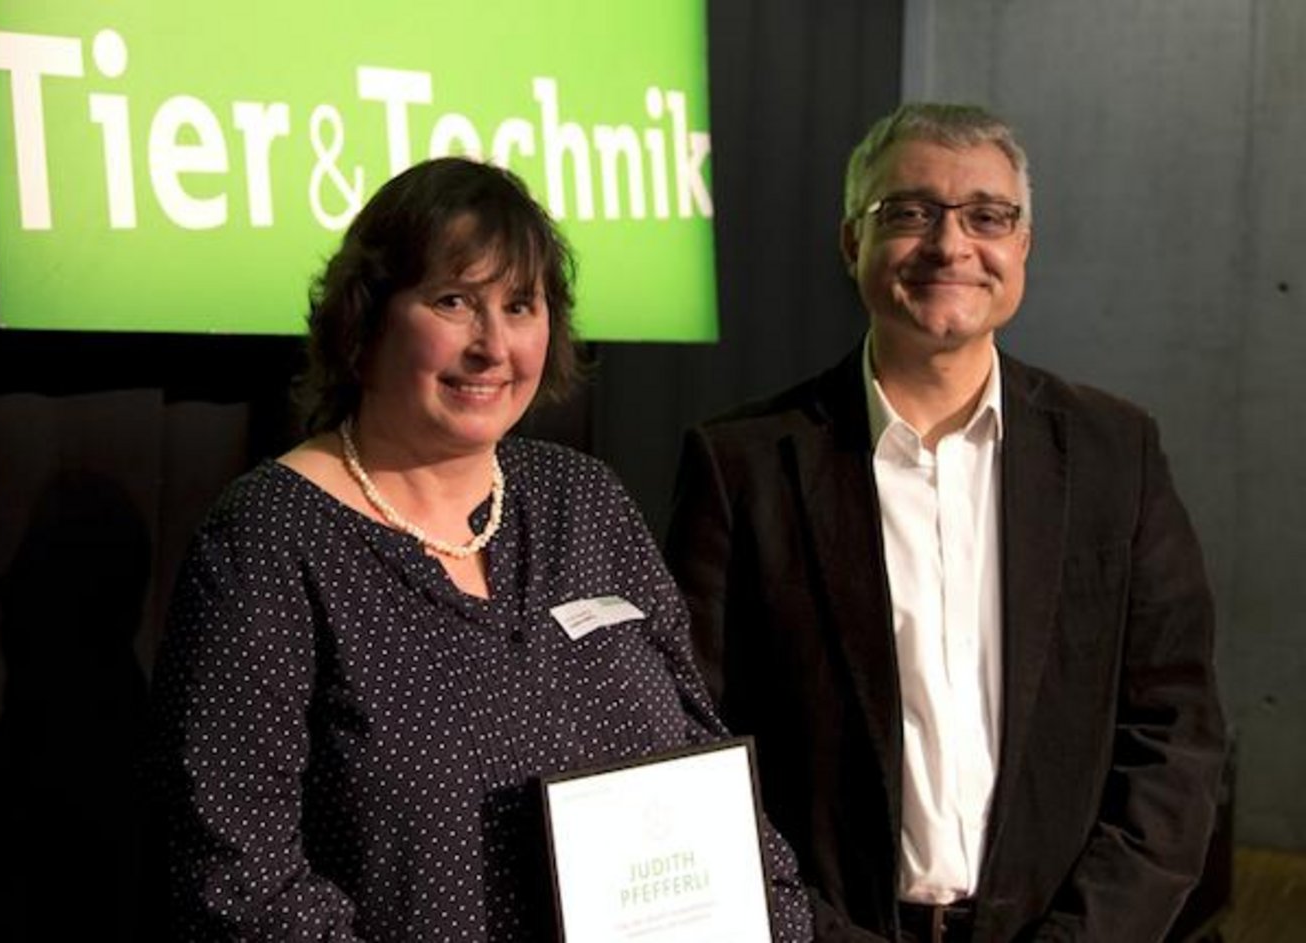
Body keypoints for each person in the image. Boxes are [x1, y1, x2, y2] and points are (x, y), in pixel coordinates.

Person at [148, 156, 811, 941]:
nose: (492, 344)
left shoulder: (583, 499)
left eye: (521, 305)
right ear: (367, 317)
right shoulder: (268, 539)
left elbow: (702, 761)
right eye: (454, 301)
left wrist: (775, 914)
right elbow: (237, 875)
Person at [665, 103, 1225, 943]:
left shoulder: (1118, 452)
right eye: (910, 211)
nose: (951, 245)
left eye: (987, 216)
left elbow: (1177, 733)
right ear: (852, 242)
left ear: (1022, 246)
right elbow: (692, 738)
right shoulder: (740, 465)